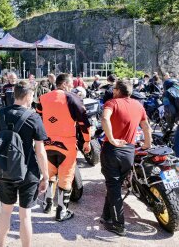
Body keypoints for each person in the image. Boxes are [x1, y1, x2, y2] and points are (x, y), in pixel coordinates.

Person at [0, 81, 49, 247]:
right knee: (25, 215)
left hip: (5, 170)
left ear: (14, 94)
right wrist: (46, 175)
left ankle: (1, 245)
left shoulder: (0, 114)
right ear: (29, 96)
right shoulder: (34, 117)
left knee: (6, 212)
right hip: (27, 172)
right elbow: (40, 151)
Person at [100, 80, 152, 236]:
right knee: (114, 185)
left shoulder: (112, 103)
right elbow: (147, 127)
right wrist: (146, 145)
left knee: (114, 187)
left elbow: (104, 119)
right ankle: (106, 216)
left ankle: (118, 225)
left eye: (114, 89)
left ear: (117, 91)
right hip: (129, 151)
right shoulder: (138, 105)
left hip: (112, 150)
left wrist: (112, 139)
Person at [36, 73, 91, 221]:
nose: (72, 86)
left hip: (47, 143)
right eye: (71, 84)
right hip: (66, 144)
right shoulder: (73, 98)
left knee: (50, 173)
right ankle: (61, 211)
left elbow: (38, 118)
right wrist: (87, 141)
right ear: (65, 84)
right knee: (66, 177)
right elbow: (84, 123)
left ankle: (47, 205)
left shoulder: (43, 98)